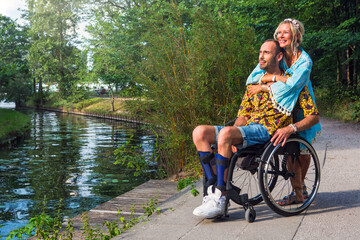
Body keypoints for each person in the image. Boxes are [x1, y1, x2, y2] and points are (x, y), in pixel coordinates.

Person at [192, 39, 319, 219]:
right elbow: (243, 115)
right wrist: (232, 136)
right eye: (260, 52)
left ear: (279, 56)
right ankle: (212, 190)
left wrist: (291, 128)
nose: (261, 56)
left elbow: (314, 116)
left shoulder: (293, 85)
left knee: (226, 134)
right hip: (249, 128)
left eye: (266, 52)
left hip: (267, 130)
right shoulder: (254, 84)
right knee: (199, 132)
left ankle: (220, 197)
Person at [246, 18, 321, 205]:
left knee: (303, 151)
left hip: (301, 106)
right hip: (279, 108)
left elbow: (295, 86)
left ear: (296, 35)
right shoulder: (276, 52)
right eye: (278, 32)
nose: (280, 36)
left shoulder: (305, 61)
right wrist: (273, 80)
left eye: (285, 32)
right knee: (290, 150)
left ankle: (300, 191)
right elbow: (251, 79)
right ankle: (299, 192)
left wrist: (268, 82)